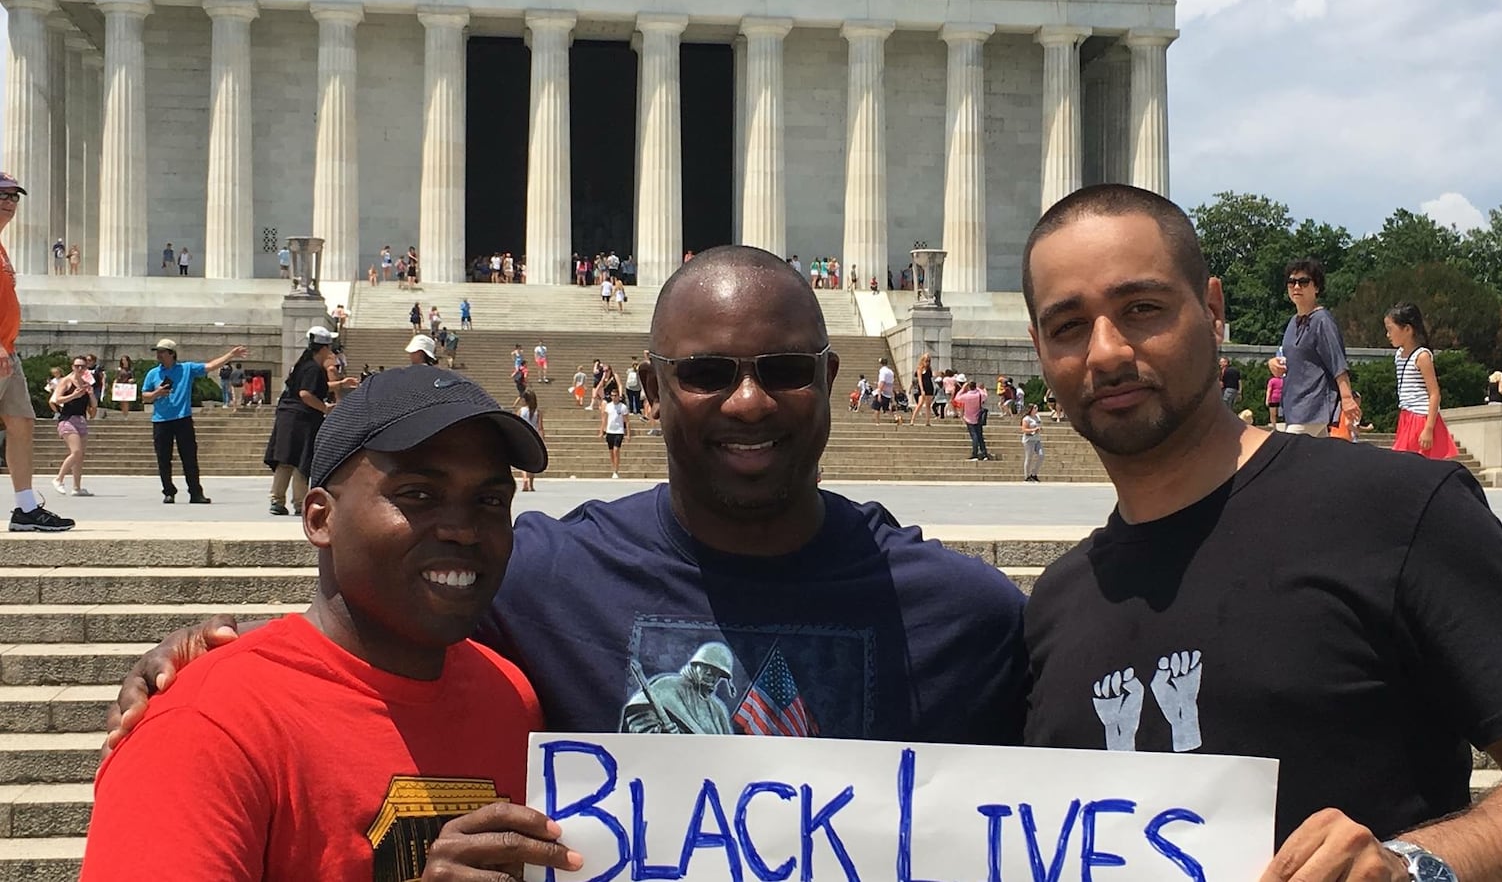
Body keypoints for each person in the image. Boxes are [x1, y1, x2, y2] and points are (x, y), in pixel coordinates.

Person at [108, 248, 1029, 829]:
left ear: (830, 379)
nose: (748, 401)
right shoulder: (544, 575)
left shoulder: (964, 614)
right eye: (707, 373)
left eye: (783, 371)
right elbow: (378, 615)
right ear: (653, 389)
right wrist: (211, 662)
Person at [1020, 183, 1502, 879]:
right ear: (1039, 350)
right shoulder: (1053, 607)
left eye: (1141, 309)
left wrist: (1413, 866)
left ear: (1211, 310)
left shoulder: (1395, 511)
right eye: (1069, 326)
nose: (1106, 351)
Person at [79, 365, 573, 881]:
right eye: (418, 495)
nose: (463, 529)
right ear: (320, 518)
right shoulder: (204, 726)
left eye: (490, 501)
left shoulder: (510, 695)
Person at [0, 172, 74, 531]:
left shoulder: (0, 247)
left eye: (14, 196)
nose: (9, 202)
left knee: (22, 423)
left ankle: (26, 507)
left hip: (7, 351)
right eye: (2, 195)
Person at [264, 326, 356, 517]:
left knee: (286, 459)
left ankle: (277, 499)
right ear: (324, 348)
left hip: (288, 415)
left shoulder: (304, 365)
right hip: (301, 418)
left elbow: (316, 387)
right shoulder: (313, 368)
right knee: (301, 460)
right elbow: (305, 393)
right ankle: (299, 502)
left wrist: (341, 384)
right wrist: (325, 409)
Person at [143, 339, 246, 504]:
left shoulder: (186, 369)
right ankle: (168, 491)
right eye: (158, 352)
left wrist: (230, 355)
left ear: (172, 354)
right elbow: (144, 396)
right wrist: (156, 393)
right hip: (161, 420)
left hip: (183, 419)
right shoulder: (153, 373)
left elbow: (210, 366)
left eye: (162, 352)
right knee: (163, 458)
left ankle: (195, 492)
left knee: (189, 457)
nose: (159, 355)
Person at [1269, 258, 1356, 436]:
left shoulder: (1322, 320)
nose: (1296, 287)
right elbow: (1286, 355)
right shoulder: (1293, 322)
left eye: (1303, 282)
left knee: (1289, 456)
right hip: (1294, 404)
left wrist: (1347, 399)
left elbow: (1337, 362)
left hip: (1312, 405)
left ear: (1316, 287)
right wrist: (1272, 363)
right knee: (1315, 460)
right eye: (1291, 282)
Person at [1385, 302, 1458, 460]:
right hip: (1406, 415)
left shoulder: (1422, 356)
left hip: (1421, 417)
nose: (1388, 335)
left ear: (1407, 329)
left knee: (1415, 462)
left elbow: (1434, 393)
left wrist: (1429, 428)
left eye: (1391, 329)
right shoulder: (1399, 355)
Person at [48, 355, 96, 497]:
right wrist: (73, 396)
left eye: (83, 366)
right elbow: (57, 399)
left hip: (81, 419)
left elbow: (93, 406)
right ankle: (58, 479)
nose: (80, 369)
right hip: (67, 420)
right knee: (76, 452)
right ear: (72, 367)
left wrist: (91, 394)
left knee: (80, 456)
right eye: (77, 366)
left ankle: (77, 487)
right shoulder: (66, 381)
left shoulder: (87, 384)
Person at [953, 378, 990, 460]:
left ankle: (975, 453)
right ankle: (984, 453)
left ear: (969, 387)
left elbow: (956, 398)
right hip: (978, 417)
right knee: (980, 435)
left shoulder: (966, 396)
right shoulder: (979, 395)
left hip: (969, 418)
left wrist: (963, 389)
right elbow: (985, 395)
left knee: (974, 436)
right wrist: (980, 388)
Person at [516, 390, 544, 492]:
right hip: (534, 438)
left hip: (522, 437)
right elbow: (540, 427)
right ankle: (531, 485)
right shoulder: (538, 412)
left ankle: (525, 480)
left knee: (523, 461)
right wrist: (542, 439)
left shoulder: (521, 411)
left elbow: (516, 424)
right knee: (532, 462)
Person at [599, 390, 629, 479]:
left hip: (619, 431)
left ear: (618, 396)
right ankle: (614, 468)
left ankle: (616, 470)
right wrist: (601, 431)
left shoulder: (623, 407)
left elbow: (627, 421)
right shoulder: (608, 406)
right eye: (612, 396)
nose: (614, 397)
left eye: (615, 395)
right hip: (610, 431)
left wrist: (628, 434)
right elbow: (604, 419)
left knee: (616, 450)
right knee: (611, 452)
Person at [909, 353, 935, 426]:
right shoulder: (920, 368)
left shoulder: (929, 369)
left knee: (928, 405)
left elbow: (930, 377)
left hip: (929, 386)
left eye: (929, 361)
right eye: (926, 361)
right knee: (920, 403)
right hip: (923, 387)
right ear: (923, 360)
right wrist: (922, 389)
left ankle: (928, 421)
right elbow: (920, 380)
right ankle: (912, 420)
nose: (927, 362)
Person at [1020, 402, 1043, 482]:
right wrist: (1033, 430)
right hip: (1029, 440)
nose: (1037, 410)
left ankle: (1034, 473)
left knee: (1041, 455)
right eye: (1035, 408)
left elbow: (1039, 425)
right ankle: (1026, 476)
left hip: (1037, 439)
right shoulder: (1026, 419)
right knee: (1029, 458)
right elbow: (1024, 429)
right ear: (1031, 409)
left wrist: (1039, 429)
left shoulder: (1037, 417)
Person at [873, 357, 895, 424]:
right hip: (888, 393)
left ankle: (877, 422)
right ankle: (896, 416)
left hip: (882, 392)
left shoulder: (882, 371)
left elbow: (882, 382)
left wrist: (879, 393)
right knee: (886, 409)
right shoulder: (890, 372)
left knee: (877, 408)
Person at [1265, 358, 1284, 429]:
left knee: (1272, 414)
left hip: (1273, 399)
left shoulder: (1272, 380)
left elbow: (1269, 390)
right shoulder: (1283, 380)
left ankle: (1274, 427)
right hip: (1281, 398)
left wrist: (1267, 400)